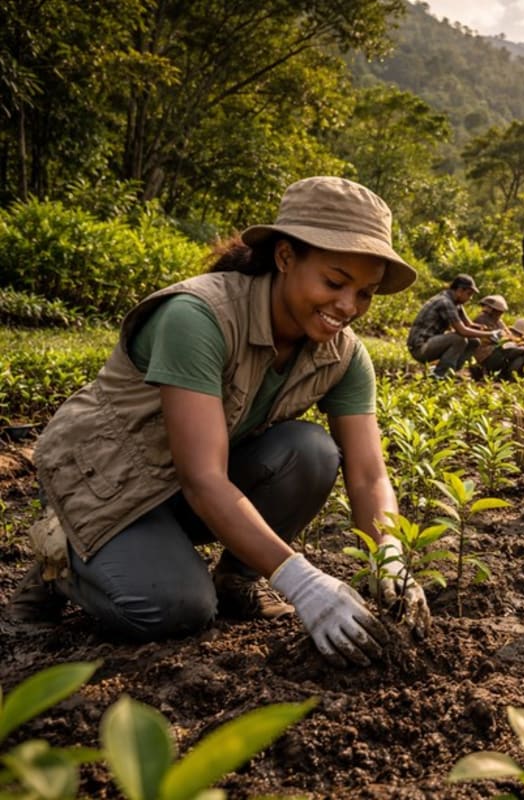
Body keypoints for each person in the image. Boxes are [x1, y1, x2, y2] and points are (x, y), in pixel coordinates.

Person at [6, 176, 429, 668]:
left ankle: (237, 580)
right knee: (176, 608)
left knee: (310, 453)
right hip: (101, 482)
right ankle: (61, 558)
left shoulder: (343, 356)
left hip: (178, 487)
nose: (348, 307)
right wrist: (301, 580)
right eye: (334, 283)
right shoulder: (198, 317)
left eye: (365, 294)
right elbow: (203, 478)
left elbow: (368, 473)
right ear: (285, 257)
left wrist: (389, 556)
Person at [406, 274, 493, 379]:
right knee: (459, 339)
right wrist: (490, 334)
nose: (470, 298)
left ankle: (450, 371)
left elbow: (469, 324)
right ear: (460, 290)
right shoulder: (445, 302)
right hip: (420, 347)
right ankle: (440, 374)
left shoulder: (456, 303)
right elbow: (462, 331)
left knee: (474, 342)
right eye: (469, 294)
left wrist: (484, 328)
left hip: (431, 343)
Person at [471, 295, 524, 381]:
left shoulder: (498, 321)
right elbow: (497, 338)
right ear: (492, 310)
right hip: (486, 355)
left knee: (523, 349)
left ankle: (504, 375)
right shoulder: (481, 319)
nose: (500, 314)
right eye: (499, 312)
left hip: (497, 351)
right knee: (523, 351)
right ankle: (509, 376)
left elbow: (508, 335)